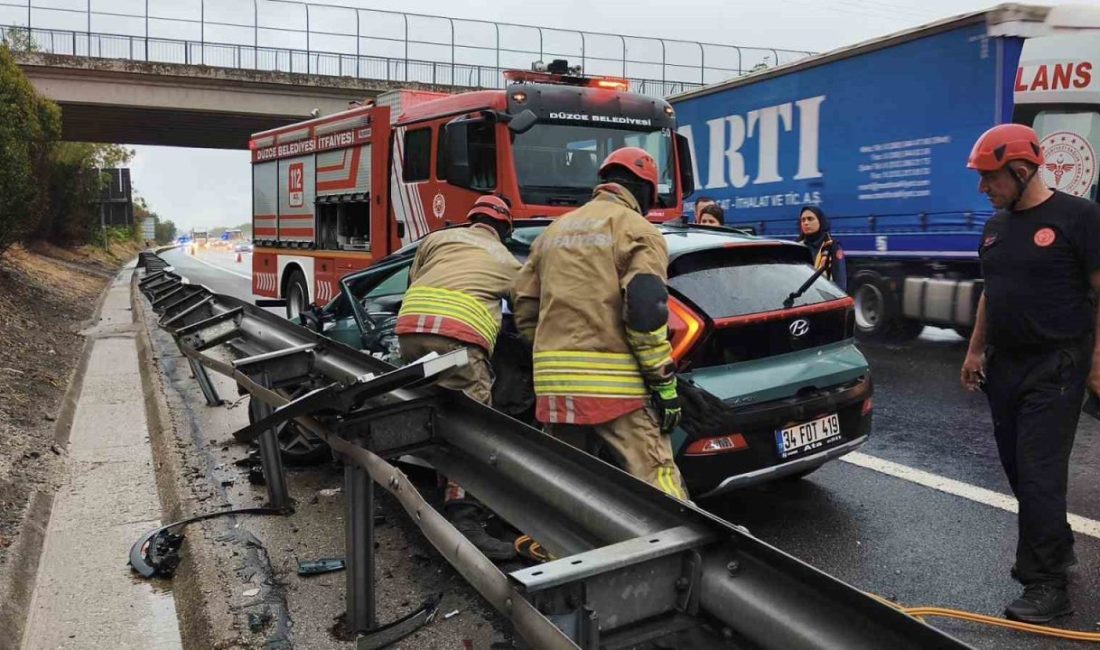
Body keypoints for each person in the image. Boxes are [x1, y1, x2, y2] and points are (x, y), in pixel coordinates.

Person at [960, 123, 1100, 623]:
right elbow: (991, 294)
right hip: (1006, 365)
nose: (983, 188)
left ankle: (1046, 584)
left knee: (1039, 473)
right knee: (1019, 469)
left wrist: (1097, 364)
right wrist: (976, 352)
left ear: (1021, 170)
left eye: (989, 177)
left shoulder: (1079, 216)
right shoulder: (995, 227)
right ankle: (1056, 548)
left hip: (1059, 362)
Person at [512, 147, 688, 500]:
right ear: (643, 190)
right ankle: (680, 548)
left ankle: (553, 546)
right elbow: (646, 312)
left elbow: (524, 303)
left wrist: (551, 352)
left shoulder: (553, 232)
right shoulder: (638, 230)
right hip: (616, 386)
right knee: (657, 477)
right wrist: (664, 384)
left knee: (565, 483)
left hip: (555, 383)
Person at [395, 194, 522, 560]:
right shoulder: (506, 261)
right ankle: (463, 516)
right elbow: (528, 311)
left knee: (433, 408)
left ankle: (430, 483)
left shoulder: (437, 239)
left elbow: (416, 280)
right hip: (459, 346)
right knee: (474, 428)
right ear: (504, 230)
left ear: (471, 219)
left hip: (410, 332)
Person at [797, 205, 847, 290]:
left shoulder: (832, 246)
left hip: (825, 299)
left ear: (820, 221)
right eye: (803, 220)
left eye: (810, 219)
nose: (806, 223)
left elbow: (840, 280)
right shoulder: (797, 246)